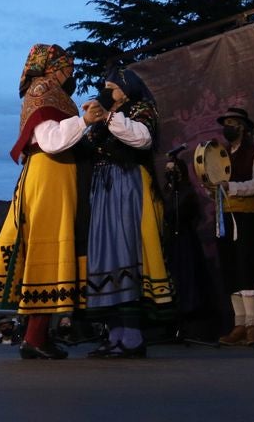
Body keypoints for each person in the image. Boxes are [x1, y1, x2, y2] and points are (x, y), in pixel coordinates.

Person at [0, 44, 85, 360]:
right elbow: (52, 140)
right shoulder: (44, 91)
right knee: (48, 247)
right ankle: (35, 337)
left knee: (50, 248)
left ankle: (38, 335)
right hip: (50, 174)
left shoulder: (51, 92)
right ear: (54, 68)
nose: (72, 72)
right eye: (68, 66)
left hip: (53, 174)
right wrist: (85, 122)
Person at [77, 66, 175, 358]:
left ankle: (132, 337)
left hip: (128, 184)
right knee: (105, 255)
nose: (107, 92)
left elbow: (142, 139)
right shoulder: (105, 117)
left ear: (126, 87)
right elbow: (88, 148)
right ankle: (115, 334)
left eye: (112, 86)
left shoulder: (140, 108)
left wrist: (107, 116)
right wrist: (87, 121)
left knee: (126, 251)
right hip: (103, 188)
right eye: (104, 87)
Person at [211, 107, 254, 347]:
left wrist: (231, 187)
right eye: (227, 122)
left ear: (243, 127)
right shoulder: (221, 155)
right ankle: (239, 324)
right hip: (224, 218)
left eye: (233, 122)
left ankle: (253, 325)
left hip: (246, 217)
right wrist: (213, 189)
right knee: (230, 268)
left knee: (247, 265)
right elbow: (215, 184)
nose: (229, 127)